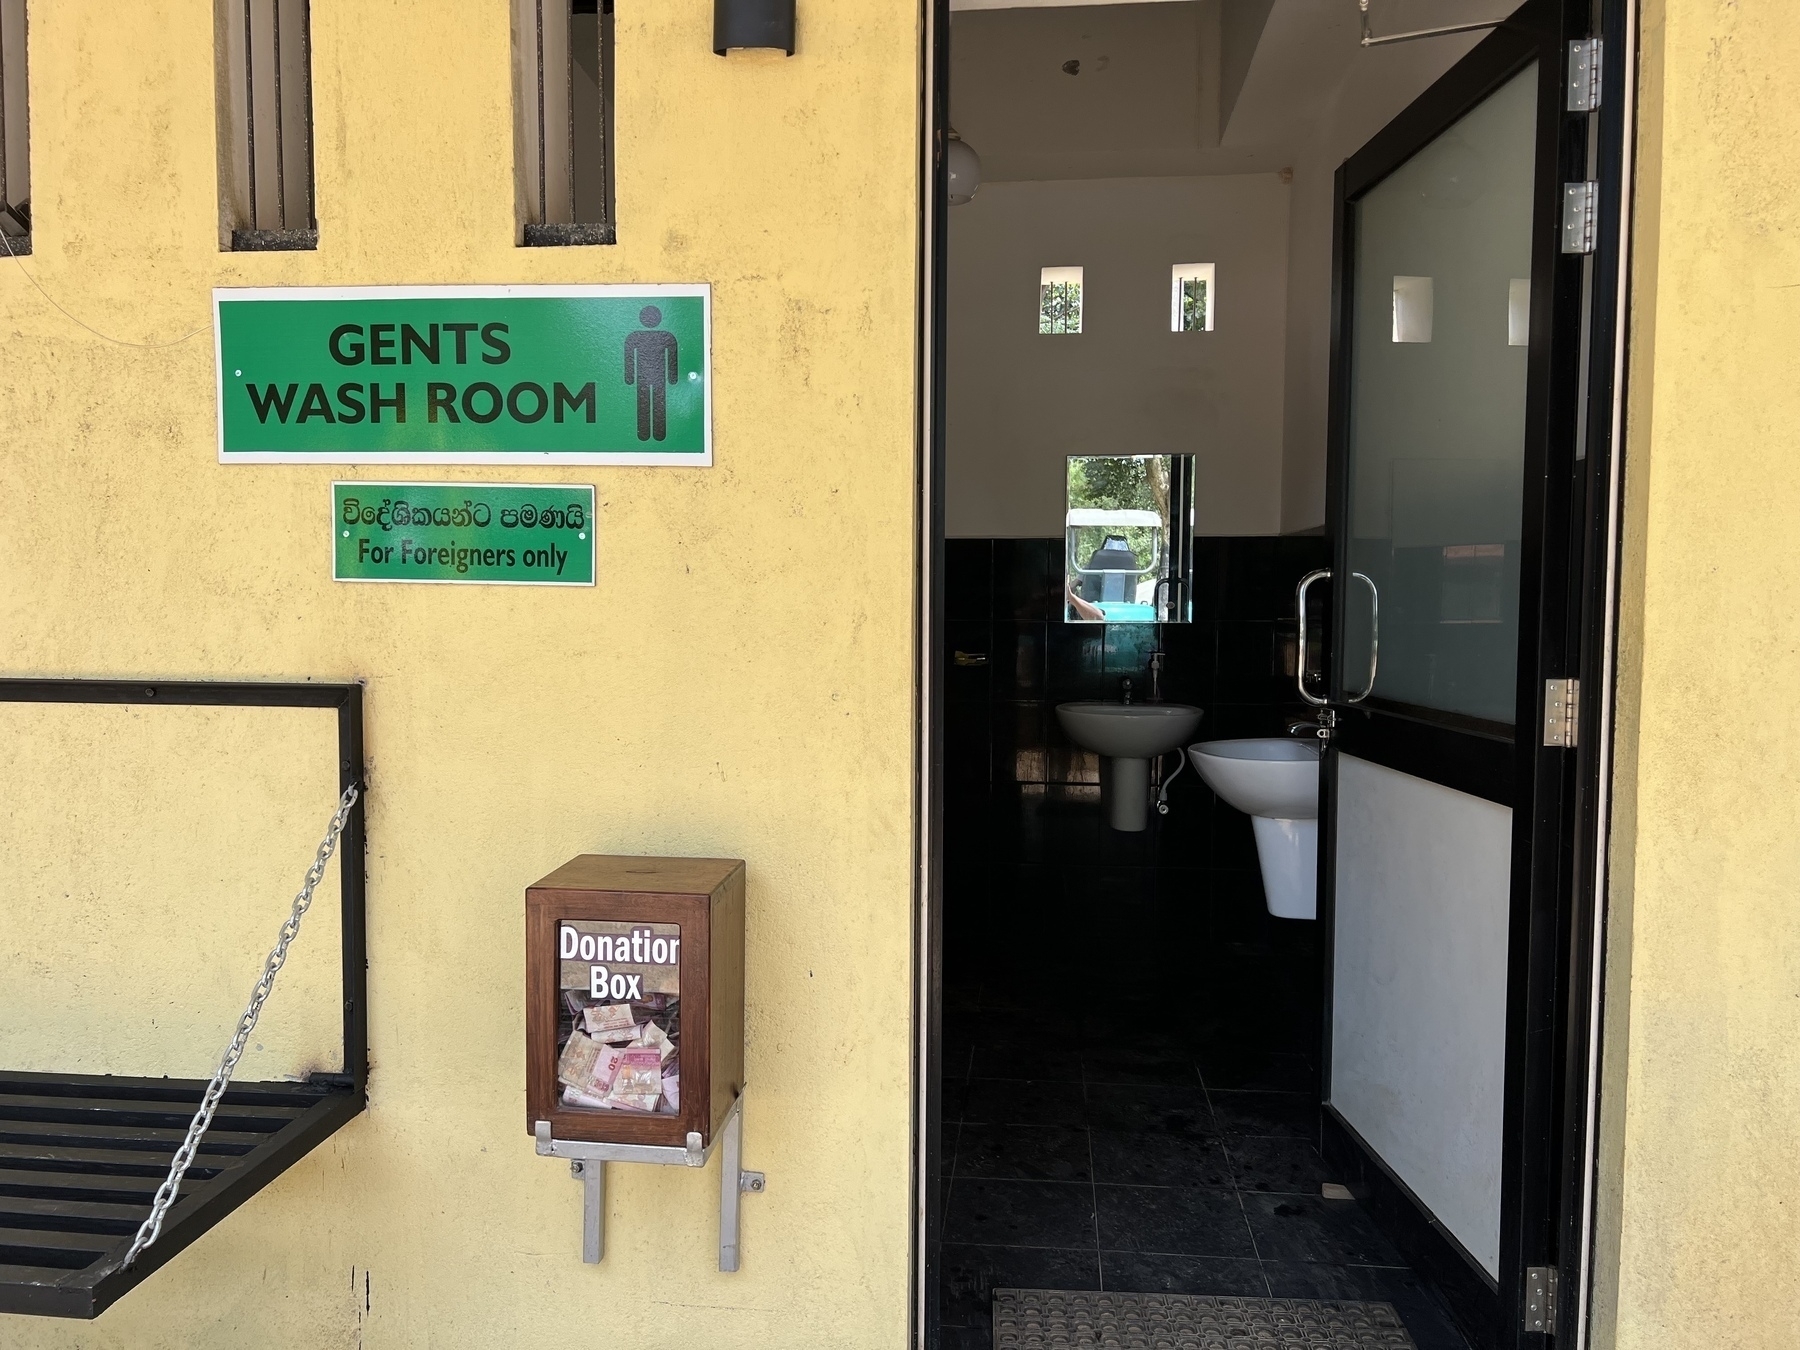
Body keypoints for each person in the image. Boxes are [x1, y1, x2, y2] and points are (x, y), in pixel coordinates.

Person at [623, 305, 679, 441]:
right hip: (647, 378)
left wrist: (673, 377)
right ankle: (644, 433)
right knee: (646, 404)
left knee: (656, 403)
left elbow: (672, 358)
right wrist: (629, 377)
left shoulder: (665, 337)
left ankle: (657, 433)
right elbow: (629, 357)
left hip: (656, 378)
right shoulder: (635, 337)